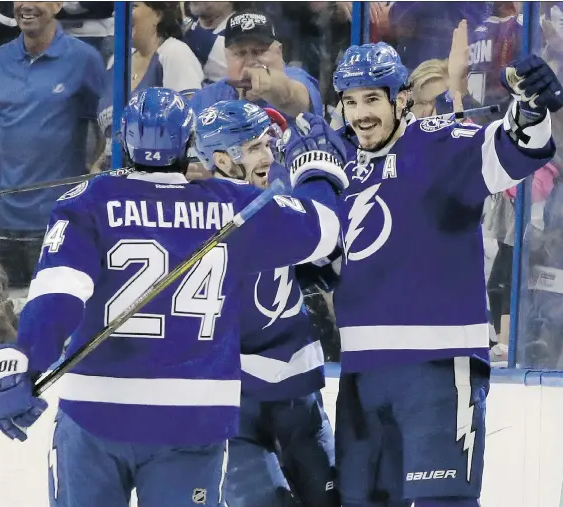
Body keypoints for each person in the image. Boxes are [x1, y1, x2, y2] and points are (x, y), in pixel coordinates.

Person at [0, 87, 348, 507]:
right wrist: (318, 174)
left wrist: (27, 362)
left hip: (97, 411)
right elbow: (325, 230)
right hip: (192, 418)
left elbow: (59, 296)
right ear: (189, 142)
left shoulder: (88, 202)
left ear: (124, 141)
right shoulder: (236, 206)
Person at [325, 42, 563, 507]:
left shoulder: (441, 143)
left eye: (372, 99)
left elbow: (512, 150)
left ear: (401, 98)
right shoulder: (338, 167)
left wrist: (530, 109)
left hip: (436, 366)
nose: (360, 114)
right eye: (350, 101)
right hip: (359, 375)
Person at [194, 99, 339, 507]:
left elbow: (322, 266)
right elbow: (325, 227)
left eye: (267, 144)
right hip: (235, 410)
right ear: (222, 159)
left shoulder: (259, 202)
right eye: (254, 146)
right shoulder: (256, 208)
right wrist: (318, 169)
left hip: (298, 400)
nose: (268, 155)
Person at [0, 1, 105, 288]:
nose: (25, 6)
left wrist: (92, 181)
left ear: (58, 4)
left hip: (57, 223)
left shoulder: (85, 59)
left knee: (50, 321)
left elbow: (104, 128)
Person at [93, 1, 203, 172]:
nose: (117, 14)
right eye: (117, 9)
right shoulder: (116, 60)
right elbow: (110, 138)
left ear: (158, 14)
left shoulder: (174, 54)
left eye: (133, 6)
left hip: (155, 179)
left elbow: (192, 130)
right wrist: (97, 168)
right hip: (112, 180)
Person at [189, 9, 323, 121]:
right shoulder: (206, 99)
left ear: (279, 52)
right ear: (226, 57)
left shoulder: (296, 77)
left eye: (259, 51)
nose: (250, 61)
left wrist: (274, 89)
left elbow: (297, 99)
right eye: (240, 53)